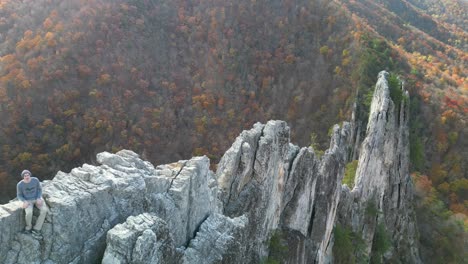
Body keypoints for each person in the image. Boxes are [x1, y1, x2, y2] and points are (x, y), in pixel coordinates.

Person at [17, 169, 48, 236]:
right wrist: (24, 201)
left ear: (30, 175)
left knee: (44, 210)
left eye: (28, 175)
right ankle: (28, 227)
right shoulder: (20, 185)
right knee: (29, 213)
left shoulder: (35, 180)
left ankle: (37, 228)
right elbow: (19, 195)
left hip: (36, 198)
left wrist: (39, 198)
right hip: (28, 201)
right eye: (25, 176)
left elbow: (39, 189)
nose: (27, 177)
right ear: (23, 177)